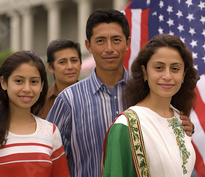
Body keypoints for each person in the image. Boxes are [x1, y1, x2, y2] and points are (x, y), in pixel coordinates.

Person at [47, 9, 195, 177]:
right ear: (88, 45)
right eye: (101, 41)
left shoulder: (152, 91)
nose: (109, 48)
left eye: (116, 40)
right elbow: (51, 159)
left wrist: (183, 127)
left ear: (127, 43)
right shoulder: (69, 100)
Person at [102, 34, 198, 177]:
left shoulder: (180, 119)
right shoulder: (126, 126)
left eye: (175, 69)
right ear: (145, 72)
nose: (167, 76)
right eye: (159, 67)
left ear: (184, 74)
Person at [0, 51, 70, 176]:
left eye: (34, 82)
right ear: (4, 83)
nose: (27, 89)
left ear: (41, 86)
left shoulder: (51, 131)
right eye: (19, 81)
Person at [37, 39, 82, 118]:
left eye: (74, 60)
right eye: (62, 62)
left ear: (80, 64)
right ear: (50, 67)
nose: (70, 67)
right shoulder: (39, 102)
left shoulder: (93, 98)